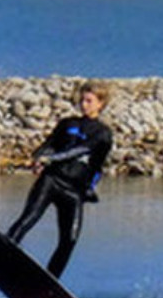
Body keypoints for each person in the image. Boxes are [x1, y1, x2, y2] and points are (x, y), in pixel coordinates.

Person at [6, 80, 114, 279]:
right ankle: (4, 253)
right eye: (82, 100)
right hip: (51, 181)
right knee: (27, 219)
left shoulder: (103, 134)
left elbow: (80, 150)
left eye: (89, 101)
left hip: (74, 191)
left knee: (69, 241)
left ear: (101, 103)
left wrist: (51, 158)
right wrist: (39, 158)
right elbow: (48, 145)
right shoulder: (67, 124)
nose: (84, 104)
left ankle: (50, 283)